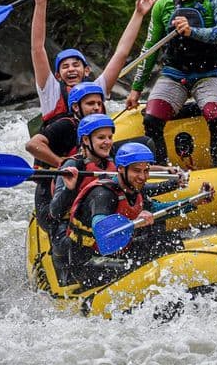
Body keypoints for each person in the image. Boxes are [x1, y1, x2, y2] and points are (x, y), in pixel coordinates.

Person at [125, 0, 217, 167]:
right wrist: (136, 88)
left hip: (209, 73)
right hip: (174, 73)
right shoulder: (163, 5)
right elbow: (150, 47)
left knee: (216, 117)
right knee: (151, 119)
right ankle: (161, 170)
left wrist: (191, 31)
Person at [46, 115, 184, 283]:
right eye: (101, 137)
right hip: (72, 235)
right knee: (132, 262)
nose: (108, 142)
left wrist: (172, 183)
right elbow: (55, 212)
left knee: (162, 237)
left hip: (106, 227)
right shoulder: (72, 167)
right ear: (86, 139)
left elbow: (136, 188)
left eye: (110, 137)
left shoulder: (110, 164)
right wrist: (68, 189)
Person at [64, 142, 214, 286]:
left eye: (146, 170)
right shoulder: (103, 194)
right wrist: (134, 222)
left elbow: (158, 210)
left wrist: (194, 202)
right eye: (137, 170)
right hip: (87, 262)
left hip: (116, 252)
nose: (143, 177)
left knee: (168, 241)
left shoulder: (134, 188)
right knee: (136, 266)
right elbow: (102, 230)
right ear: (121, 169)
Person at [26, 0, 159, 138]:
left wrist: (138, 14)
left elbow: (121, 53)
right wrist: (40, 4)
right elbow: (37, 49)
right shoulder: (50, 90)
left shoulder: (97, 89)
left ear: (87, 70)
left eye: (76, 65)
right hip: (60, 158)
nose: (71, 69)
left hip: (93, 154)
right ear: (58, 75)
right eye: (65, 67)